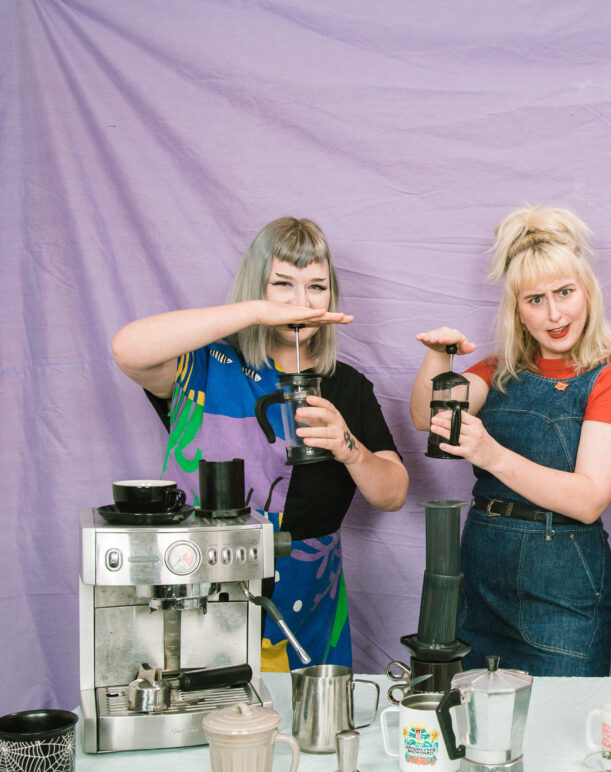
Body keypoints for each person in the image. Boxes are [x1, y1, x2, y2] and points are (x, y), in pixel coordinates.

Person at [112, 217, 408, 671]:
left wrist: (349, 447)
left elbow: (393, 494)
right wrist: (253, 313)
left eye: (316, 287)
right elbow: (128, 348)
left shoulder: (346, 385)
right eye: (282, 284)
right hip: (201, 583)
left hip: (309, 596)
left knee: (308, 728)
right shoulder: (204, 367)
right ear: (257, 288)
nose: (301, 302)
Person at [410, 206, 611, 676]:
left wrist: (491, 455)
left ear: (589, 294)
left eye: (565, 293)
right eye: (535, 299)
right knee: (475, 719)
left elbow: (587, 500)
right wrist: (437, 358)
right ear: (517, 310)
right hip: (480, 575)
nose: (554, 313)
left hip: (560, 584)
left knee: (558, 726)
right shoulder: (498, 371)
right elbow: (426, 417)